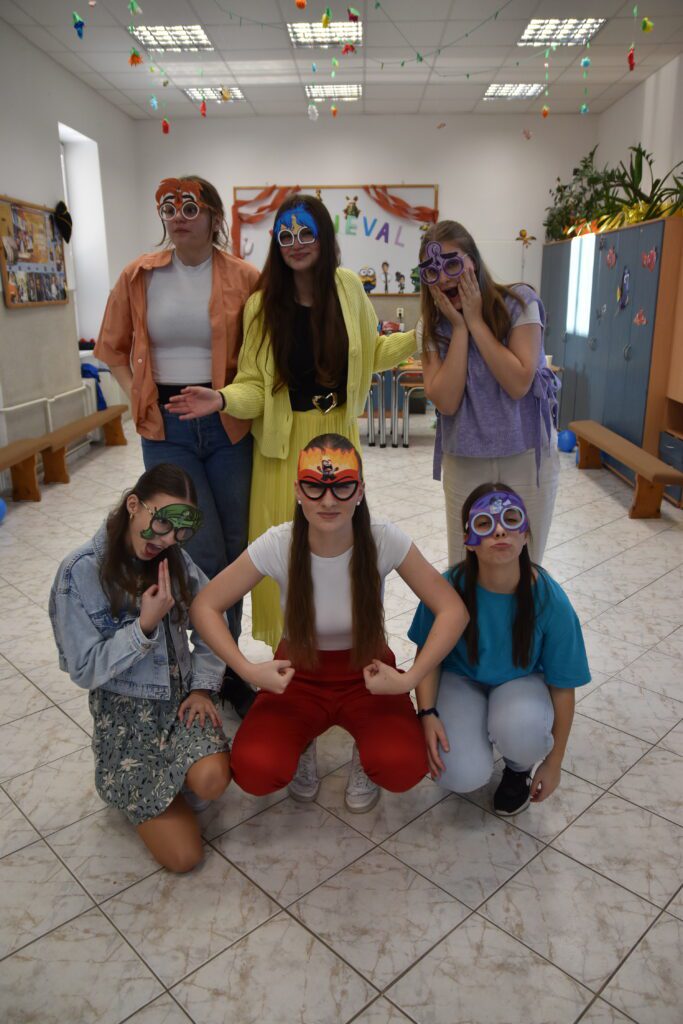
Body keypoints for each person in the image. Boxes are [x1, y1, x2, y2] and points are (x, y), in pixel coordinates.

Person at [168, 194, 419, 649]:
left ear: (323, 236)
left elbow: (372, 352)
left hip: (338, 436)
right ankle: (289, 648)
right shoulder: (262, 307)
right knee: (285, 551)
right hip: (282, 449)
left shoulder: (348, 289)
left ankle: (338, 641)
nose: (296, 243)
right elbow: (253, 386)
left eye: (305, 233)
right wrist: (221, 399)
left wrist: (419, 338)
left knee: (340, 543)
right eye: (285, 236)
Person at [190, 434, 467, 813]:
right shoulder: (279, 543)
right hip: (298, 674)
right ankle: (302, 741)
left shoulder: (383, 537)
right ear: (297, 491)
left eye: (342, 486)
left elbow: (453, 610)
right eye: (314, 486)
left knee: (403, 766)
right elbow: (205, 605)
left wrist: (409, 679)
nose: (328, 500)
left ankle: (366, 754)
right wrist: (247, 669)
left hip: (367, 673)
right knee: (255, 770)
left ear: (360, 491)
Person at [94, 176, 259, 717]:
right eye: (169, 207)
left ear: (214, 216)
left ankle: (227, 664)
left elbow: (264, 353)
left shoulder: (246, 278)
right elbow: (110, 348)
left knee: (233, 545)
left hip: (228, 422)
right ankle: (206, 667)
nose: (179, 216)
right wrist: (137, 395)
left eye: (190, 206)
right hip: (167, 429)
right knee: (193, 544)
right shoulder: (139, 276)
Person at [49, 464, 231, 872]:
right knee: (184, 859)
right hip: (126, 725)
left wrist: (202, 688)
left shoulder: (175, 559)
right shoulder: (79, 572)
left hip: (180, 707)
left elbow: (211, 616)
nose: (167, 540)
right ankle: (137, 788)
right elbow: (83, 668)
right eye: (162, 523)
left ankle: (178, 780)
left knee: (212, 780)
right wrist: (143, 627)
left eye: (180, 532)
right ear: (134, 505)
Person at [408, 482, 590, 816]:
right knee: (459, 773)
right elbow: (427, 658)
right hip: (460, 679)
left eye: (511, 519)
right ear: (468, 540)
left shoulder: (550, 599)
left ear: (525, 533)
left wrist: (554, 762)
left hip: (520, 681)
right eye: (484, 523)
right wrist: (427, 713)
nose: (500, 530)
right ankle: (476, 735)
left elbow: (564, 686)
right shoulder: (448, 588)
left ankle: (518, 769)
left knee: (523, 731)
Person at [418, 221, 560, 564]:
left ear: (474, 261)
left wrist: (476, 322)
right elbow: (446, 401)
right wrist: (459, 328)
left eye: (453, 264)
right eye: (432, 271)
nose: (445, 278)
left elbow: (518, 382)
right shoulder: (431, 327)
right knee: (466, 565)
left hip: (525, 454)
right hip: (464, 461)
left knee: (526, 562)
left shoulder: (519, 303)